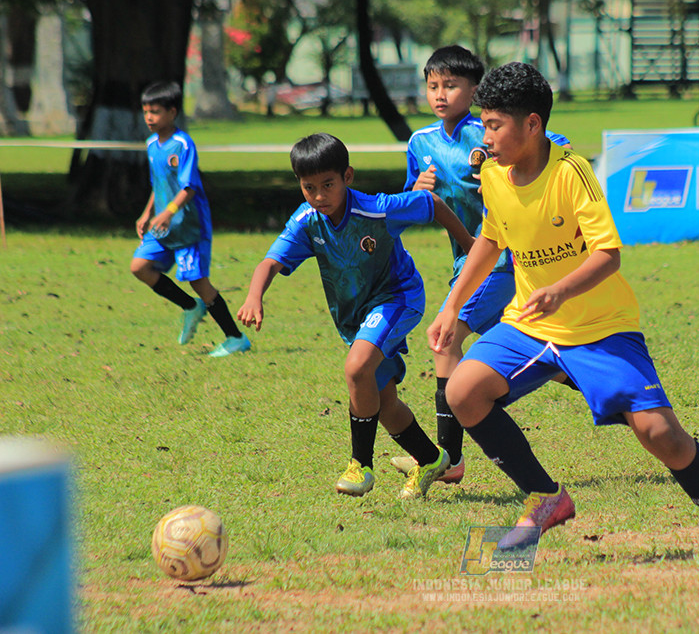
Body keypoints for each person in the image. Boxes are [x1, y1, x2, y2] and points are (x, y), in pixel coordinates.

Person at [426, 62, 699, 556]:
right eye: (484, 122)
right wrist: (452, 307)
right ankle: (545, 497)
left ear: (533, 124)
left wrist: (560, 290)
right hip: (530, 325)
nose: (486, 135)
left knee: (660, 435)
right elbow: (491, 238)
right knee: (463, 392)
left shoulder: (571, 172)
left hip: (600, 326)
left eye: (495, 124)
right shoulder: (494, 174)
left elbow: (608, 254)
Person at [237, 133, 476, 499]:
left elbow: (431, 203)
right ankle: (429, 459)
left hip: (398, 298)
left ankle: (360, 465)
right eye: (309, 187)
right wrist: (255, 296)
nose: (319, 196)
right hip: (356, 317)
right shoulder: (307, 222)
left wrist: (471, 248)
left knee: (355, 368)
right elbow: (270, 262)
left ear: (347, 177)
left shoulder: (376, 210)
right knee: (384, 404)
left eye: (327, 185)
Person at [390, 46, 571, 485]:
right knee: (546, 354)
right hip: (464, 264)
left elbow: (553, 144)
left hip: (503, 261)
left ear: (474, 91)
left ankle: (447, 459)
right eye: (433, 85)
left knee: (446, 341)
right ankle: (598, 379)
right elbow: (412, 206)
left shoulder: (488, 131)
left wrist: (510, 164)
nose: (440, 94)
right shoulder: (421, 143)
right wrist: (417, 188)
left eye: (451, 85)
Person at [130, 81, 251, 357]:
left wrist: (168, 212)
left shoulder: (183, 144)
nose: (149, 117)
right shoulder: (151, 145)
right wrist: (147, 212)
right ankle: (189, 306)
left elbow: (189, 187)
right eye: (146, 111)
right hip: (163, 222)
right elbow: (159, 183)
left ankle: (235, 338)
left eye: (155, 112)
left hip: (188, 225)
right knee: (139, 266)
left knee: (199, 282)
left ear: (172, 113)